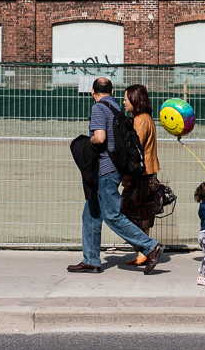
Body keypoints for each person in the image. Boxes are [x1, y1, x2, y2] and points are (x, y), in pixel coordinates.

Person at [68, 77, 163, 275]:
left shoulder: (98, 108)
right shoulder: (116, 108)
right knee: (91, 213)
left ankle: (149, 246)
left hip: (105, 169)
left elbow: (100, 137)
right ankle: (91, 260)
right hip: (115, 168)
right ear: (111, 91)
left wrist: (88, 142)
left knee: (111, 215)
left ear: (93, 92)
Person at [119, 84, 160, 266]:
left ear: (136, 100)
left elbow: (134, 149)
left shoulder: (140, 121)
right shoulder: (144, 118)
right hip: (147, 172)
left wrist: (125, 176)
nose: (124, 101)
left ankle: (145, 250)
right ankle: (144, 251)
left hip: (141, 175)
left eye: (126, 98)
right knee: (142, 213)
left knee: (134, 213)